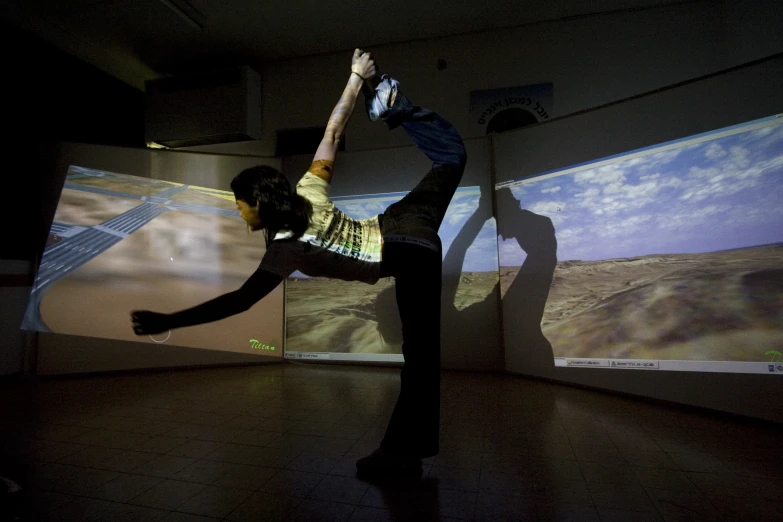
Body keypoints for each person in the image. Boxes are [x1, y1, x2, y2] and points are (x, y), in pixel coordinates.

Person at [131, 49, 467, 477]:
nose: (239, 214)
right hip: (403, 223)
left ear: (257, 203)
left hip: (407, 253)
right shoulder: (308, 189)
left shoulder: (285, 249)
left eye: (240, 207)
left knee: (420, 361)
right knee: (451, 158)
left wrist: (168, 320)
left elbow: (237, 302)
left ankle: (400, 454)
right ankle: (392, 106)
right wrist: (356, 77)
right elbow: (334, 129)